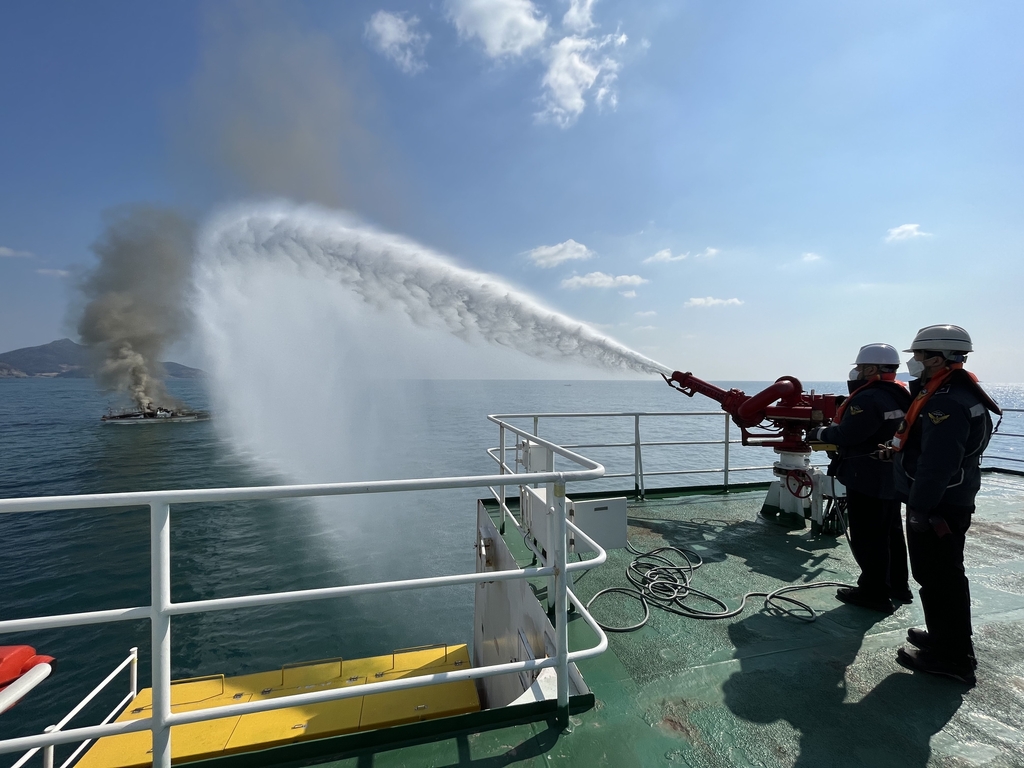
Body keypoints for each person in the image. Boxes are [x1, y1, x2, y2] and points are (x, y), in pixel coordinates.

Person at [889, 324, 1001, 685]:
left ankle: (952, 657)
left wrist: (920, 508)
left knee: (939, 578)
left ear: (937, 358)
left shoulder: (945, 402)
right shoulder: (958, 392)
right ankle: (943, 638)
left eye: (919, 356)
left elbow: (938, 464)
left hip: (938, 506)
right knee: (940, 576)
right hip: (949, 500)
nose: (914, 362)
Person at [807, 343, 912, 612]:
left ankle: (873, 593)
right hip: (891, 474)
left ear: (871, 368)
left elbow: (849, 435)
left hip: (867, 474)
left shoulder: (868, 398)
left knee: (869, 535)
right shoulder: (901, 393)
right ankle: (898, 586)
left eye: (860, 367)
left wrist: (819, 433)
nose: (856, 372)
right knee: (891, 532)